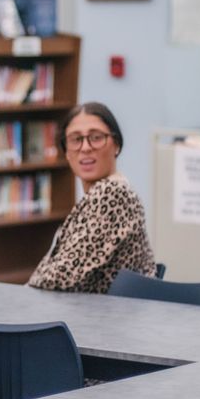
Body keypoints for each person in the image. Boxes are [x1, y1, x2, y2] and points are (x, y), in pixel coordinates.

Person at [27, 101, 156, 293]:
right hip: (90, 313)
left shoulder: (113, 194)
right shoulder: (98, 193)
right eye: (75, 139)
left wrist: (24, 291)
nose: (85, 148)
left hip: (110, 318)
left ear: (116, 145)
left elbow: (63, 275)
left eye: (96, 138)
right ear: (66, 152)